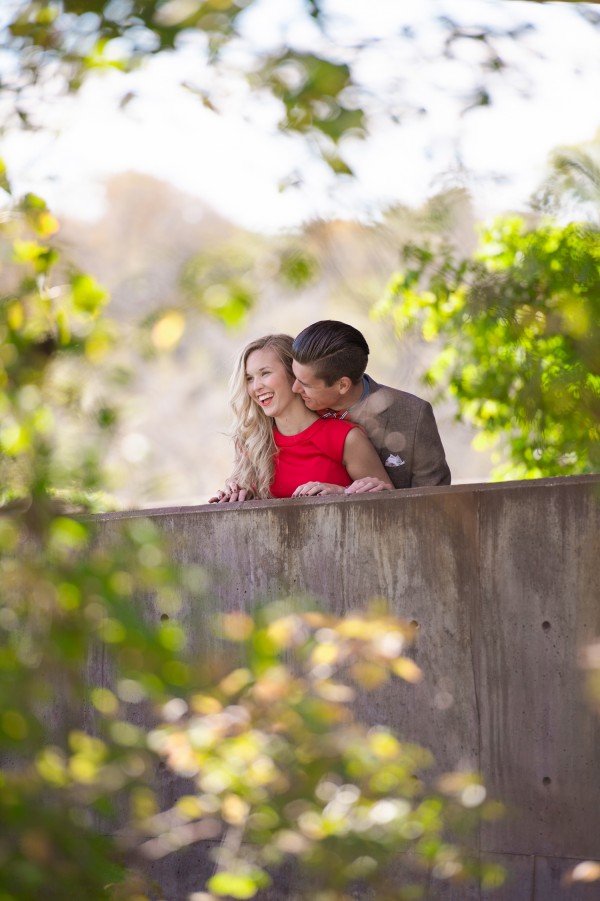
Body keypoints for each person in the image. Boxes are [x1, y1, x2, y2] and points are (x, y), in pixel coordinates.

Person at [209, 334, 393, 503]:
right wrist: (236, 497)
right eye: (249, 378)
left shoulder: (345, 438)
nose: (256, 386)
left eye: (265, 373)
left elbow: (392, 502)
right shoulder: (251, 443)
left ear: (294, 373)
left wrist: (342, 492)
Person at [291, 320, 451, 491]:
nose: (294, 388)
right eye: (294, 376)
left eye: (306, 384)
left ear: (343, 385)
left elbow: (433, 500)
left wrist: (343, 493)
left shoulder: (413, 415)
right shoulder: (294, 405)